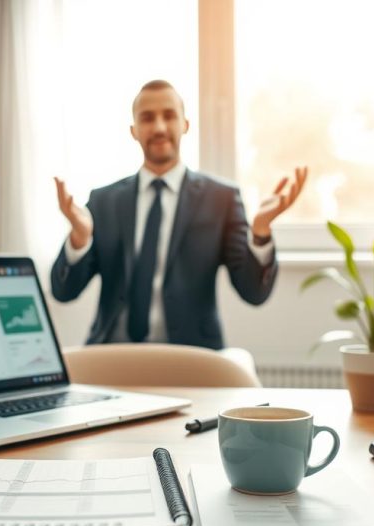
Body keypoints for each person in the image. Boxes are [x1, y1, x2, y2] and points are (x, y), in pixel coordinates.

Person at [50, 80, 306, 349]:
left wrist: (261, 232)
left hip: (191, 360)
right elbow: (63, 292)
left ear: (185, 124)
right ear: (133, 130)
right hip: (113, 356)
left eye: (169, 116)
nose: (159, 127)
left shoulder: (222, 199)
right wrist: (79, 240)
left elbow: (254, 293)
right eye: (147, 118)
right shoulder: (104, 202)